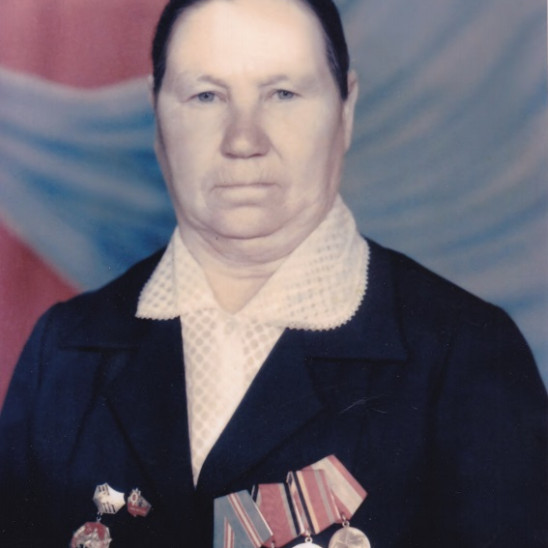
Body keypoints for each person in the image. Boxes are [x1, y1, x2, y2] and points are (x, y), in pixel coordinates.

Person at [0, 0, 546, 546]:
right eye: (206, 96)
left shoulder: (466, 354)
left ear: (345, 110)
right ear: (157, 114)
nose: (243, 140)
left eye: (283, 94)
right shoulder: (64, 349)